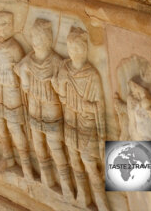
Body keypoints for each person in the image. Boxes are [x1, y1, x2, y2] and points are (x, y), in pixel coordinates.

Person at [14, 18, 73, 201]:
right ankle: (46, 177)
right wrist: (24, 79)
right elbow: (19, 69)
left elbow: (64, 85)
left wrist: (56, 86)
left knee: (55, 145)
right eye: (33, 36)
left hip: (51, 107)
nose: (35, 41)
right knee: (38, 143)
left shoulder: (56, 62)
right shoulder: (29, 59)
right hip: (34, 105)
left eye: (39, 37)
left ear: (48, 39)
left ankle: (66, 184)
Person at [53, 26, 110, 211]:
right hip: (70, 123)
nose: (73, 53)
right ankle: (82, 198)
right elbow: (62, 97)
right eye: (70, 48)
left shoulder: (92, 75)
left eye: (77, 48)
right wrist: (58, 85)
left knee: (91, 166)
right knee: (75, 163)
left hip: (87, 127)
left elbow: (99, 108)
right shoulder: (65, 69)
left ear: (85, 49)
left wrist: (83, 106)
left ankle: (103, 205)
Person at [0, 10, 33, 179]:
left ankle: (26, 163)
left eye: (5, 24)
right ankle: (7, 156)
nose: (1, 28)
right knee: (0, 125)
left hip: (11, 91)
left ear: (12, 26)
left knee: (14, 127)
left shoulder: (15, 48)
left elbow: (23, 74)